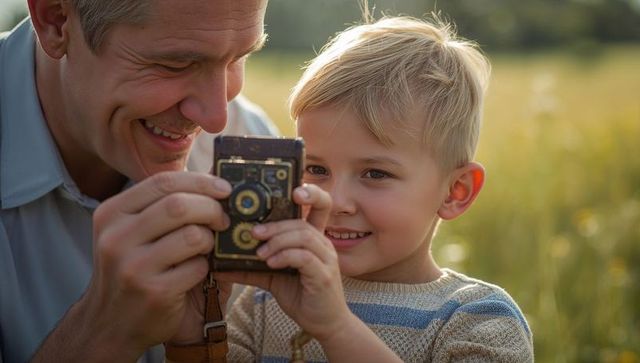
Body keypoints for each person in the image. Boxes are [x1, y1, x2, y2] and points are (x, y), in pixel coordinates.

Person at [217, 15, 535, 362]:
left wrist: (337, 328)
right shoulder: (263, 302)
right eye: (316, 169)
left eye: (375, 174)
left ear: (455, 191)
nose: (335, 201)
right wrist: (195, 329)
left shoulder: (479, 320)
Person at [0, 0, 276, 362]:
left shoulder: (248, 145)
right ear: (56, 20)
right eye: (174, 64)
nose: (215, 120)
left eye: (238, 58)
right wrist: (101, 333)